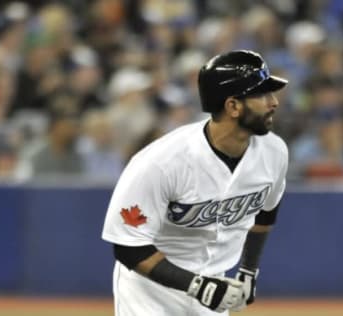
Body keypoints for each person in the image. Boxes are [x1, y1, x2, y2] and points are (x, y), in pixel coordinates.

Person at [102, 50, 288, 315]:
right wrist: (199, 287)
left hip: (215, 282)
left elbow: (266, 211)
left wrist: (248, 269)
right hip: (151, 291)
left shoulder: (274, 152)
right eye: (262, 94)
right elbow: (129, 248)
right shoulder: (161, 162)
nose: (274, 102)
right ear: (233, 106)